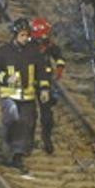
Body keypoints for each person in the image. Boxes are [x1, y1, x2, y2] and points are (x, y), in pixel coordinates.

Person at [0, 18, 50, 173]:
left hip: (27, 96)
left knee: (26, 123)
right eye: (22, 35)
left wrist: (44, 89)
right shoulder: (4, 51)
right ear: (15, 35)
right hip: (10, 95)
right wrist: (5, 78)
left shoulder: (33, 52)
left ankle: (18, 154)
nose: (26, 39)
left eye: (27, 35)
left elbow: (42, 71)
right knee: (11, 121)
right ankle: (8, 146)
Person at [30, 17, 63, 154]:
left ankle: (46, 138)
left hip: (44, 84)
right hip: (29, 83)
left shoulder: (50, 46)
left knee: (47, 115)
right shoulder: (27, 46)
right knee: (29, 114)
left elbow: (58, 55)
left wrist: (60, 67)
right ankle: (28, 140)